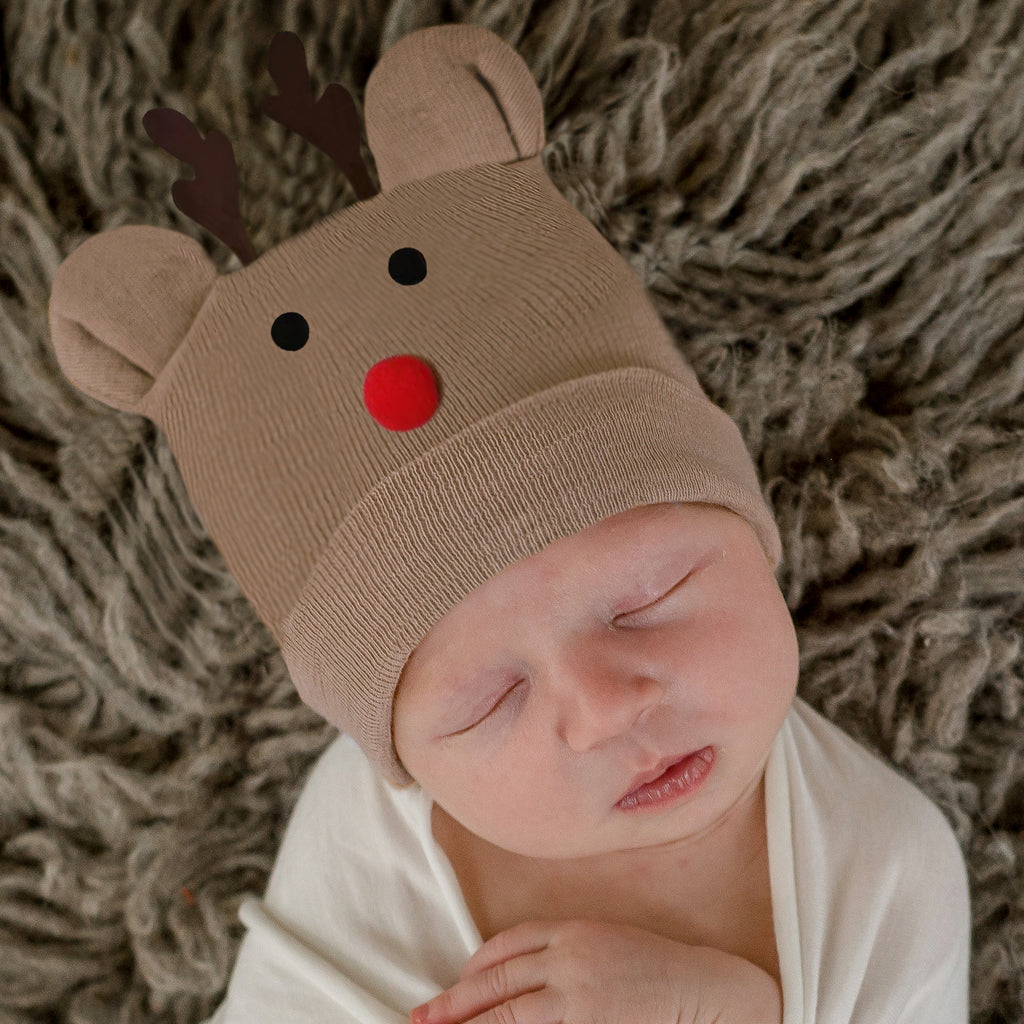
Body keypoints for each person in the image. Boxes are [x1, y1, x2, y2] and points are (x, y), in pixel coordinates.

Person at [46, 22, 971, 1024]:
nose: (606, 707)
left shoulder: (882, 861)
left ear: (751, 534)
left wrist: (728, 1009)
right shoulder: (372, 835)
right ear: (402, 753)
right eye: (487, 701)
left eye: (653, 598)